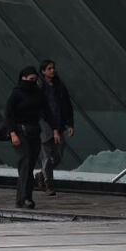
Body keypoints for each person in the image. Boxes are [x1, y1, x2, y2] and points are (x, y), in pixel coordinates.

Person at [5, 65, 54, 209]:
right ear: (23, 78)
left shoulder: (38, 93)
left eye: (35, 79)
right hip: (20, 132)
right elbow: (8, 114)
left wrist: (56, 129)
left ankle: (21, 199)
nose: (33, 81)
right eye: (31, 79)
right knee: (26, 162)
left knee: (29, 164)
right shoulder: (16, 93)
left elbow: (46, 112)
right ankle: (26, 198)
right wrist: (13, 133)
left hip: (34, 131)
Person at [35, 60, 74, 196]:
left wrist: (70, 124)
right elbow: (40, 109)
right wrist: (53, 129)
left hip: (59, 122)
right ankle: (49, 184)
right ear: (43, 71)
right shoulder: (39, 86)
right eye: (49, 68)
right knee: (46, 154)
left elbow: (67, 104)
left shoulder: (59, 85)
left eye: (53, 68)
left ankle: (41, 173)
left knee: (58, 155)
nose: (52, 70)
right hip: (44, 124)